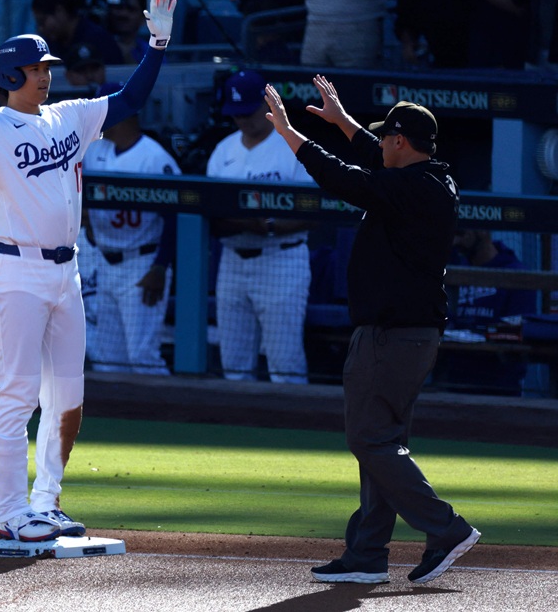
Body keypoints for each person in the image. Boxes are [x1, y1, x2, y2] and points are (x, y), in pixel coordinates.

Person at [0, 0, 176, 541]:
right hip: (15, 270)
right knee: (19, 393)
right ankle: (11, 510)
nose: (44, 75)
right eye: (32, 69)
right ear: (8, 77)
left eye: (46, 65)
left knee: (68, 397)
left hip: (65, 272)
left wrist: (158, 43)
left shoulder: (71, 116)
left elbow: (129, 101)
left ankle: (46, 501)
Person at [263, 73, 480, 585]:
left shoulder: (411, 188)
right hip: (406, 334)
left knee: (369, 440)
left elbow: (347, 177)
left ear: (401, 142)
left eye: (387, 136)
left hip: (392, 335)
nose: (379, 142)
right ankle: (366, 554)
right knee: (382, 441)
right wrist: (341, 121)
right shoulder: (429, 179)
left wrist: (292, 135)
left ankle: (445, 528)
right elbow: (370, 158)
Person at [206, 69, 314, 384]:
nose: (243, 120)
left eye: (248, 111)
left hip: (281, 258)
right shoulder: (223, 150)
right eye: (236, 113)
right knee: (234, 363)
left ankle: (296, 430)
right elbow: (208, 207)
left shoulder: (294, 146)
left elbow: (315, 210)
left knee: (284, 361)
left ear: (268, 106)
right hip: (233, 260)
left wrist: (267, 226)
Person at [83, 81, 179, 375]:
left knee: (142, 356)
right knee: (109, 359)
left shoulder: (155, 158)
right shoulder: (95, 149)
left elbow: (175, 218)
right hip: (105, 262)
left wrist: (160, 267)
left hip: (142, 263)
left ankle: (164, 418)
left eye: (103, 109)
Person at [438, 229, 537, 394]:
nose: (455, 242)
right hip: (452, 382)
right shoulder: (453, 270)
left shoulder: (515, 272)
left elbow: (516, 333)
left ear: (482, 232)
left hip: (498, 384)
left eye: (461, 234)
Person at [31, 0, 125, 67]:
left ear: (59, 11)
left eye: (42, 21)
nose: (41, 28)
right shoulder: (49, 46)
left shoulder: (99, 40)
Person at [105, 0, 149, 64]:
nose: (123, 14)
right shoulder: (94, 44)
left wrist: (126, 56)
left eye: (131, 9)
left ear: (143, 18)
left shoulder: (150, 52)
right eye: (118, 8)